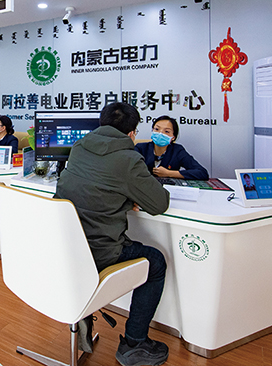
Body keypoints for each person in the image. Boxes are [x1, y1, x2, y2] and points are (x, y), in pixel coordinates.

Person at [54, 102, 171, 366]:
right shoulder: (128, 159)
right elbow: (159, 203)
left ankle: (87, 313)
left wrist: (122, 195)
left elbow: (89, 187)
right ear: (132, 133)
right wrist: (129, 195)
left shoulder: (79, 147)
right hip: (100, 251)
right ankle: (135, 343)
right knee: (155, 261)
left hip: (68, 247)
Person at [134, 116, 209, 180]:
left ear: (173, 137)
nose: (160, 133)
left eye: (166, 131)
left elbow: (202, 173)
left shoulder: (177, 150)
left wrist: (169, 173)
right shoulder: (140, 148)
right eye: (157, 129)